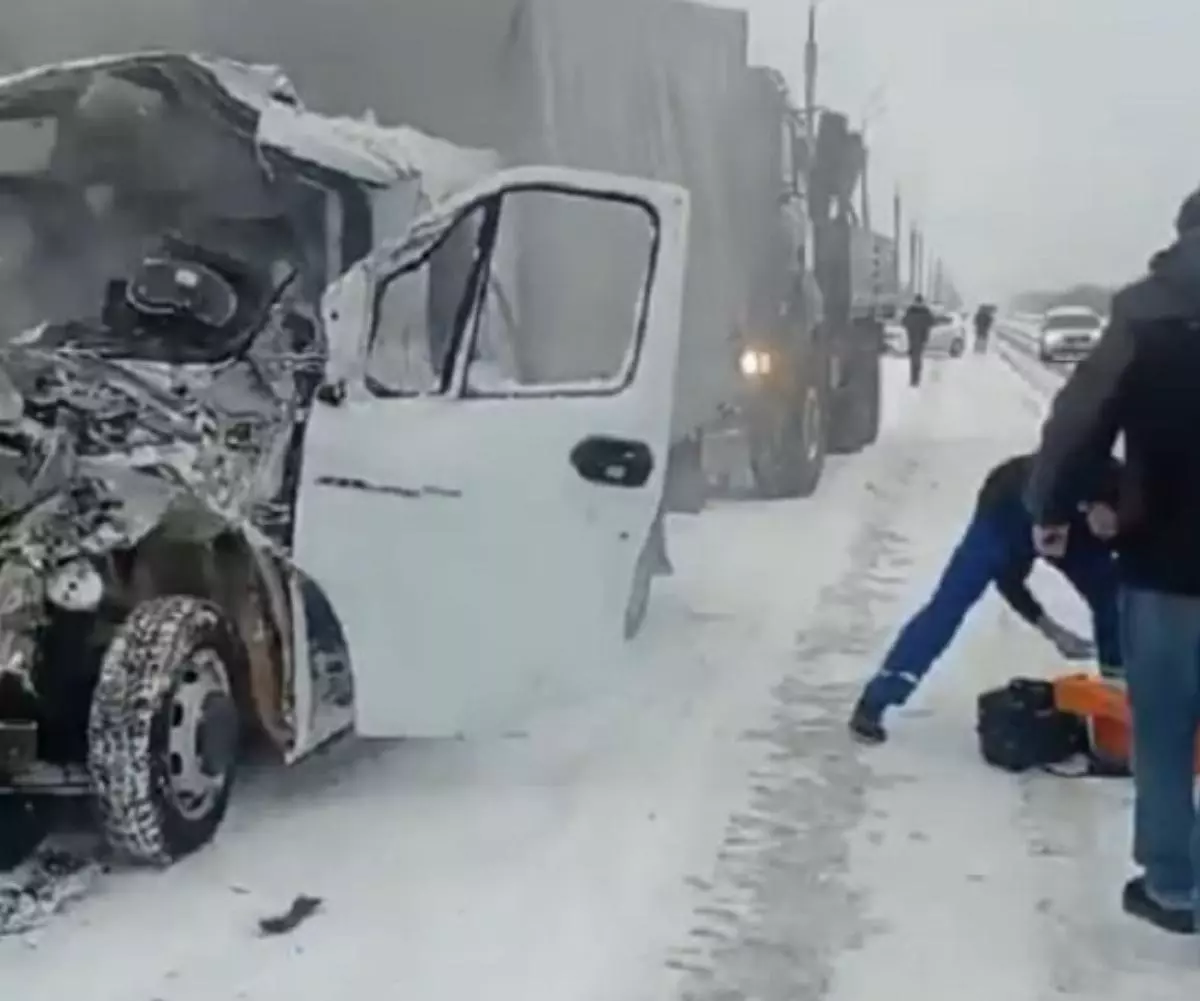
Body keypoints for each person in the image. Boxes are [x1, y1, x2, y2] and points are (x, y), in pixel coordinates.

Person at [1026, 187, 1200, 937]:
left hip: (1166, 564)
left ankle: (1173, 884)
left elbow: (1081, 419)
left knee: (1161, 729)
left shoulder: (1145, 312)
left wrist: (1053, 508)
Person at [849, 452, 1122, 744]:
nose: (1109, 535)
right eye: (1107, 528)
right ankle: (876, 699)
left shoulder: (1128, 499)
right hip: (1006, 507)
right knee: (949, 604)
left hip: (1070, 520)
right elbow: (1008, 577)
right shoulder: (1024, 508)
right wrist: (1050, 629)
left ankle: (1121, 707)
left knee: (1114, 604)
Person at [902, 294, 936, 386]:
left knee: (913, 357)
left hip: (912, 336)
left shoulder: (910, 310)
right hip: (922, 337)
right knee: (918, 356)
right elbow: (932, 322)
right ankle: (916, 378)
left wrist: (910, 326)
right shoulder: (926, 311)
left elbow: (904, 321)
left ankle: (914, 378)